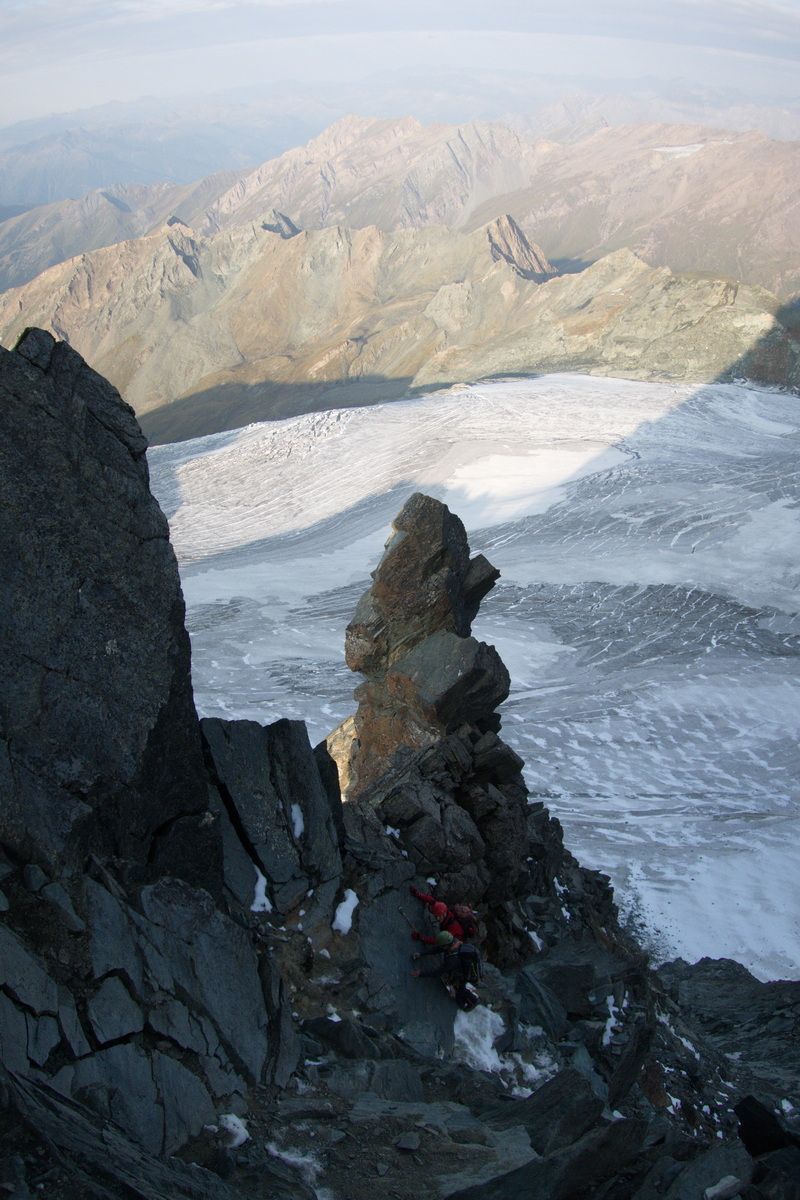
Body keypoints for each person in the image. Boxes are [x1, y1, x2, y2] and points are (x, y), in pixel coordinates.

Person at [410, 932, 482, 1011]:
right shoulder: (453, 942)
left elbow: (437, 973)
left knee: (459, 993)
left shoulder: (452, 959)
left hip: (464, 974)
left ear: (445, 945)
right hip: (461, 968)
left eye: (442, 945)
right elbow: (438, 949)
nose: (440, 946)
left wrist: (420, 973)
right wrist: (421, 954)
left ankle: (473, 1001)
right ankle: (458, 988)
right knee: (455, 984)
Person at [409, 886, 479, 942]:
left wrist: (420, 937)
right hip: (446, 924)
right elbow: (432, 901)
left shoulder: (454, 928)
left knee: (445, 940)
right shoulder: (445, 909)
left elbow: (437, 940)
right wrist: (417, 894)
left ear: (442, 915)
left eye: (437, 916)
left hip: (451, 938)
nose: (437, 918)